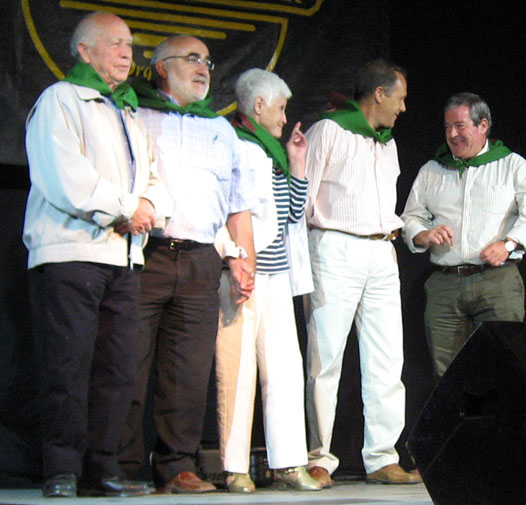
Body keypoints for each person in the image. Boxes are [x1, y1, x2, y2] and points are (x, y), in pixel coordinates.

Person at [23, 11, 171, 498]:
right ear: (84, 51)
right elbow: (65, 176)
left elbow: (154, 177)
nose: (127, 53)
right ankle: (61, 469)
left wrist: (148, 209)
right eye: (114, 43)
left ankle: (101, 467)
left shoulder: (127, 112)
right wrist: (128, 208)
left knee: (117, 369)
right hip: (70, 253)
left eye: (129, 44)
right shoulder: (61, 100)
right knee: (68, 365)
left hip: (122, 258)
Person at [117, 35, 255, 494]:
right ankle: (122, 466)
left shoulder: (220, 130)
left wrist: (243, 258)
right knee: (128, 362)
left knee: (188, 371)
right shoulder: (136, 116)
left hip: (201, 259)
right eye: (192, 59)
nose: (203, 69)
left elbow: (237, 205)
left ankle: (178, 465)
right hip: (146, 254)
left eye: (207, 62)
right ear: (160, 68)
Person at [303, 58, 421, 486]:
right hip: (335, 246)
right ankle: (318, 457)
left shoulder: (387, 144)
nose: (403, 108)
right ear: (379, 93)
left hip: (381, 251)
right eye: (400, 98)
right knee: (325, 358)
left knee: (387, 360)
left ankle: (382, 457)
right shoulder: (328, 131)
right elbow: (302, 198)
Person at [214, 68, 320, 493]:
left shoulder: (272, 150)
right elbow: (219, 207)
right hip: (241, 271)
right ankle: (234, 466)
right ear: (258, 106)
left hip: (276, 273)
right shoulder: (231, 143)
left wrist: (296, 164)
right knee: (237, 371)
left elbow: (293, 213)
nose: (284, 117)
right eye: (280, 108)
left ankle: (290, 463)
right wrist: (233, 257)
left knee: (285, 370)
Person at [401, 92, 526, 379]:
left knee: (503, 367)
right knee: (447, 374)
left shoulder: (512, 165)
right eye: (447, 127)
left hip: (496, 281)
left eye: (460, 126)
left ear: (483, 126)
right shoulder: (432, 170)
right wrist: (423, 234)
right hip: (445, 284)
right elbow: (411, 217)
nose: (452, 135)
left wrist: (509, 243)